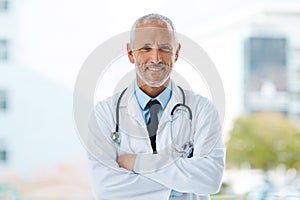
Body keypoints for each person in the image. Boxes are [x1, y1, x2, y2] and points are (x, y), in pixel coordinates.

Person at [87, 13, 226, 200]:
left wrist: (137, 163)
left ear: (176, 53)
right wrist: (182, 185)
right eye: (146, 48)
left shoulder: (202, 110)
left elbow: (210, 179)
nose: (156, 58)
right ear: (130, 53)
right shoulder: (105, 114)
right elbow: (105, 188)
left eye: (165, 48)